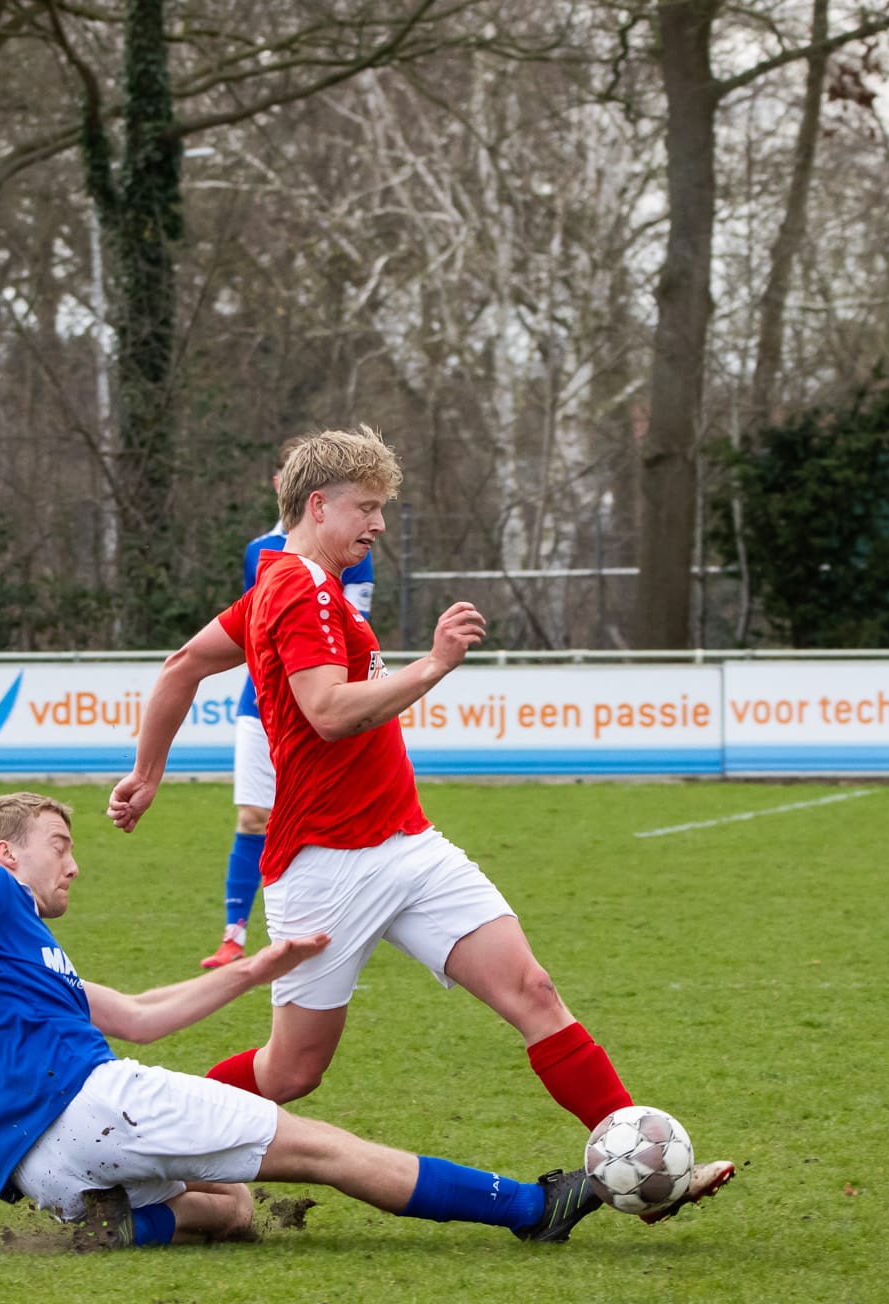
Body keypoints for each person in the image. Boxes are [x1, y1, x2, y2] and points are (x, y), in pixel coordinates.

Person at [110, 426, 733, 1224]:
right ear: (317, 505)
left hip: (407, 844)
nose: (377, 525)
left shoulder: (289, 582)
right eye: (366, 508)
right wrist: (432, 664)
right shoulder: (297, 588)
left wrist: (147, 773)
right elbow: (327, 711)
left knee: (533, 991)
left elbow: (182, 665)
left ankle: (646, 1171)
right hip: (324, 865)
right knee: (293, 1070)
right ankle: (135, 1137)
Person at [0, 792, 606, 1247]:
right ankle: (533, 1207)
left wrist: (256, 967)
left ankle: (122, 1226)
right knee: (324, 1148)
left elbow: (139, 1015)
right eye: (61, 846)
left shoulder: (14, 958)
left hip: (40, 1168)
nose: (73, 864)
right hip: (90, 1105)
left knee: (233, 1208)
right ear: (9, 853)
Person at [204, 481, 374, 970]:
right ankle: (234, 935)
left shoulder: (352, 543)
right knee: (253, 817)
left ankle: (334, 931)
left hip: (324, 705)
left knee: (327, 819)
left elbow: (354, 621)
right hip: (260, 707)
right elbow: (250, 629)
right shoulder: (258, 550)